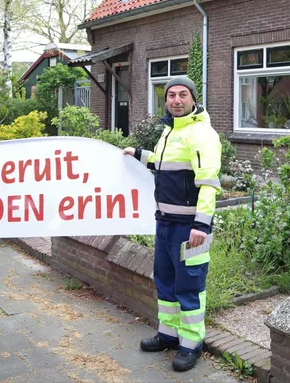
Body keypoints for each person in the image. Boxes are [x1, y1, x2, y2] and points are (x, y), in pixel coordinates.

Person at [123, 75, 221, 372]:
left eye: (182, 95)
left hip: (189, 228)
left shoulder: (201, 133)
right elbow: (165, 166)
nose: (176, 101)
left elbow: (208, 184)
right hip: (165, 223)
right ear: (165, 101)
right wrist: (139, 155)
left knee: (189, 285)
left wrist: (201, 226)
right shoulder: (170, 132)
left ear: (193, 99)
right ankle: (168, 334)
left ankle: (191, 343)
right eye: (170, 96)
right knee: (165, 281)